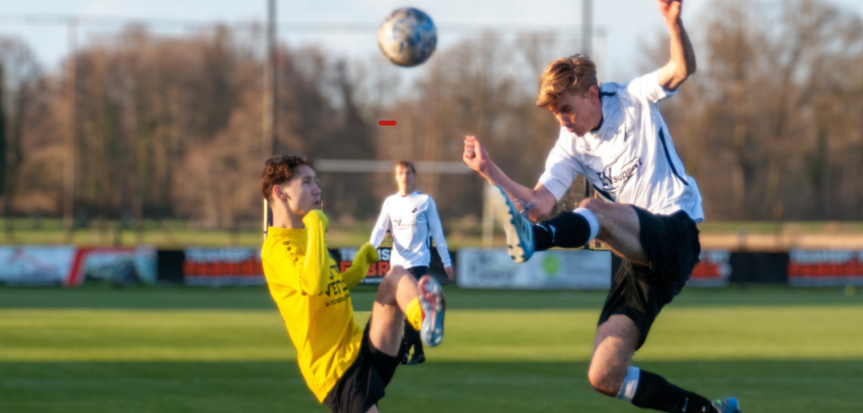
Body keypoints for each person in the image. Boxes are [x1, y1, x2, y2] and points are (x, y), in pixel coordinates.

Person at [460, 1, 739, 412]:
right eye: (556, 114)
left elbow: (682, 69)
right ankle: (708, 411)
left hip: (675, 232)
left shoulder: (634, 97)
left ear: (592, 93)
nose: (563, 121)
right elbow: (539, 203)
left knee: (594, 207)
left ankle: (534, 243)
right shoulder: (569, 144)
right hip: (638, 259)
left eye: (567, 109)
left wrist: (674, 24)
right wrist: (490, 172)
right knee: (604, 375)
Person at [260, 154, 445, 413]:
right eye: (306, 182)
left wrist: (358, 269)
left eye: (315, 181)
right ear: (280, 192)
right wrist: (315, 225)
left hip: (360, 344)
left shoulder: (308, 234)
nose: (317, 189)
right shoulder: (278, 249)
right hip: (335, 370)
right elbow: (312, 285)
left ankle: (423, 317)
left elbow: (327, 288)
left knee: (396, 276)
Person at [369, 161, 454, 364]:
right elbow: (380, 229)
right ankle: (411, 349)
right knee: (399, 309)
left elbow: (437, 232)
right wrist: (368, 252)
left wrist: (446, 260)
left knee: (412, 306)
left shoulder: (425, 201)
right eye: (400, 173)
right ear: (396, 177)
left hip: (418, 262)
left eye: (408, 173)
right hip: (396, 265)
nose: (404, 176)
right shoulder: (390, 202)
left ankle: (412, 350)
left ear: (413, 176)